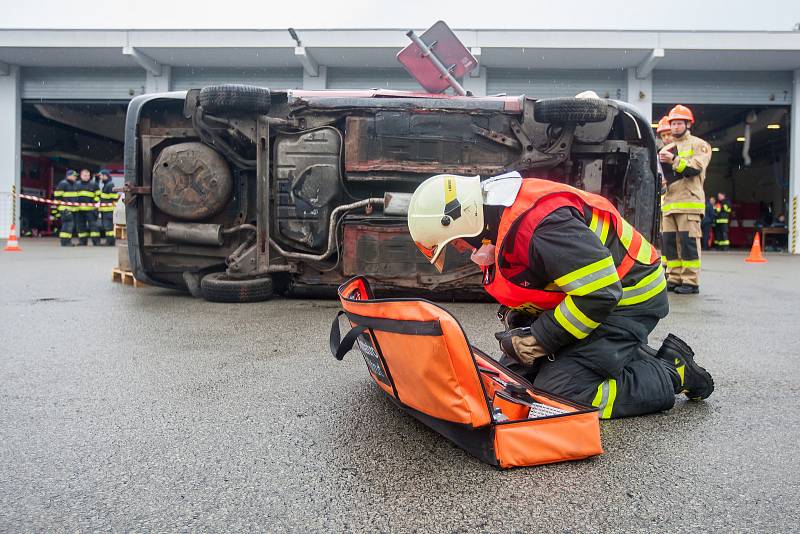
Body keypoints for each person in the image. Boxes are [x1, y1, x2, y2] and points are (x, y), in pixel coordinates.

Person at [407, 173, 714, 420]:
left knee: (559, 398)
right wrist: (524, 324)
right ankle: (624, 356)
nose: (463, 250)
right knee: (513, 383)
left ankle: (673, 373)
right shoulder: (498, 216)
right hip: (594, 301)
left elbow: (599, 292)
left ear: (463, 219)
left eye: (456, 243)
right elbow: (547, 282)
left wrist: (540, 339)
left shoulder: (541, 226)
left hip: (627, 302)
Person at [658, 105, 712, 295]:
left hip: (689, 202)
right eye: (673, 123)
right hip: (670, 204)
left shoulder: (699, 145)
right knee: (670, 244)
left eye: (679, 123)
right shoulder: (666, 148)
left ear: (688, 124)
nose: (675, 127)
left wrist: (673, 160)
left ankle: (690, 280)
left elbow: (695, 168)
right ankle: (674, 278)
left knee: (688, 243)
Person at [53, 169, 80, 246]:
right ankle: (65, 242)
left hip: (71, 209)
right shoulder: (63, 183)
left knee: (69, 225)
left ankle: (67, 241)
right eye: (74, 176)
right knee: (67, 225)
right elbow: (58, 196)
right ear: (68, 176)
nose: (75, 177)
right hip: (65, 208)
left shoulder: (73, 184)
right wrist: (62, 207)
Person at [75, 169, 101, 246]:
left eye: (88, 175)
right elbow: (74, 195)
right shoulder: (77, 184)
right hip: (79, 210)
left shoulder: (94, 184)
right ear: (81, 176)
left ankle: (96, 242)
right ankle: (82, 242)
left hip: (91, 210)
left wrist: (94, 204)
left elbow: (98, 196)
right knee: (80, 226)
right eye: (85, 175)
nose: (86, 177)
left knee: (94, 227)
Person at [97, 169, 119, 246]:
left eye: (101, 176)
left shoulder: (110, 185)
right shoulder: (106, 184)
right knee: (107, 227)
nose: (100, 177)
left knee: (108, 227)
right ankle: (109, 241)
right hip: (105, 211)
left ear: (105, 175)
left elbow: (114, 197)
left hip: (108, 211)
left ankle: (110, 242)